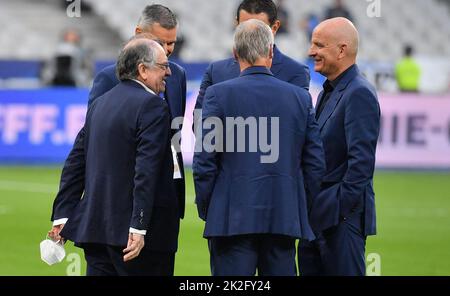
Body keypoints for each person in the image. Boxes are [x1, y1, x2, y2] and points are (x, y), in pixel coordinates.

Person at [48, 4, 186, 275]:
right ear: (138, 34)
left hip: (164, 204)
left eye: (172, 43)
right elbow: (85, 147)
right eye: (160, 42)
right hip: (121, 212)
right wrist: (65, 208)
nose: (168, 51)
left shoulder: (176, 75)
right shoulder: (108, 80)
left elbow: (174, 138)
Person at [193, 19, 325, 276]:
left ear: (235, 54)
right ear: (271, 52)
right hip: (283, 219)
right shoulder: (299, 97)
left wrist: (211, 208)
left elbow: (204, 161)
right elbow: (315, 163)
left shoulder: (217, 95)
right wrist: (297, 205)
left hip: (231, 221)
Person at [298, 17, 380, 276]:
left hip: (340, 222)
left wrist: (336, 210)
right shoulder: (328, 91)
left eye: (319, 45)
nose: (311, 52)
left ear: (342, 50)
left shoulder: (359, 93)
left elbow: (361, 166)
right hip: (317, 219)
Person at [193, 0, 311, 119]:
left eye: (260, 29)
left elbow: (296, 124)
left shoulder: (296, 72)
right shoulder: (216, 71)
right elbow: (200, 123)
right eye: (243, 27)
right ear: (236, 24)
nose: (251, 33)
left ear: (275, 27)